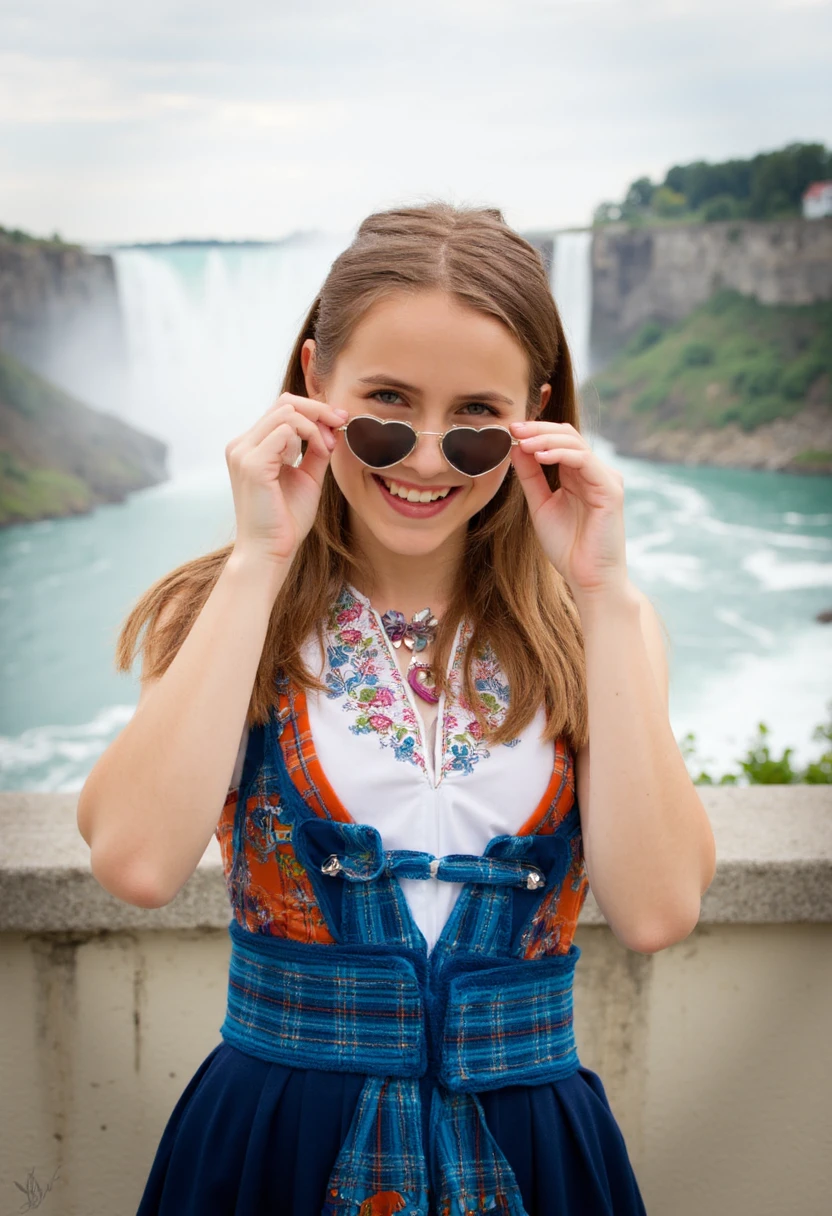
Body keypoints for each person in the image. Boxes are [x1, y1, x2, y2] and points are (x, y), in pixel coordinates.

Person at [77, 201, 716, 1216]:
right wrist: (257, 560)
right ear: (313, 381)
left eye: (474, 420)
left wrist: (603, 591)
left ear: (535, 416)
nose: (423, 456)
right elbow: (137, 861)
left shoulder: (600, 626)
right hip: (272, 1148)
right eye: (384, 403)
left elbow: (654, 908)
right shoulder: (227, 609)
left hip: (531, 1154)